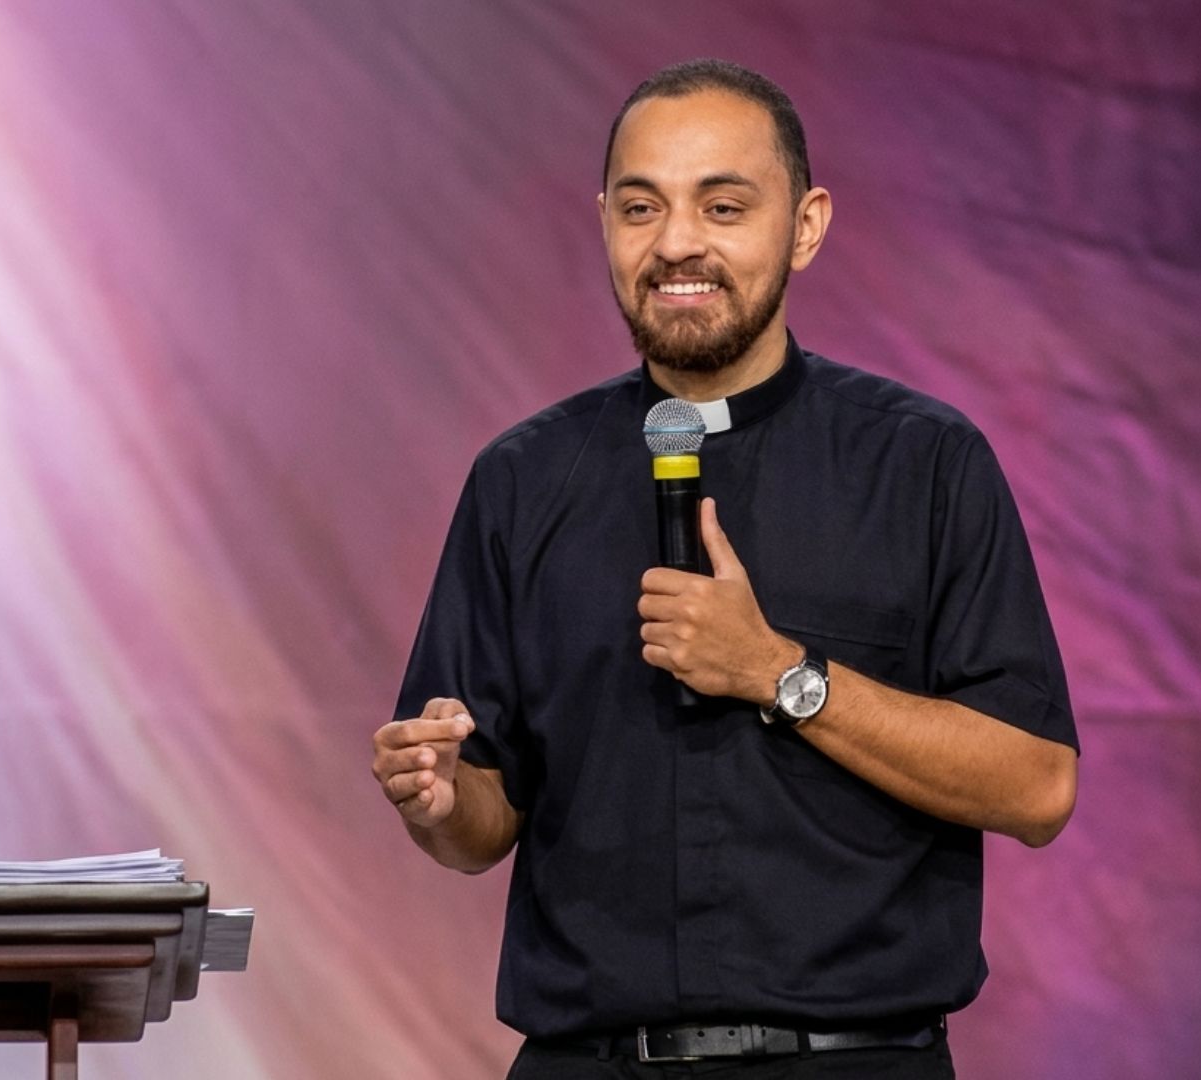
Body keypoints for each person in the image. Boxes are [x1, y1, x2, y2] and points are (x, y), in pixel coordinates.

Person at [373, 58, 1078, 1078]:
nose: (677, 244)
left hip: (851, 1059)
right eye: (641, 207)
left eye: (724, 204)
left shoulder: (924, 462)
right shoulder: (521, 481)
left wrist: (780, 675)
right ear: (605, 224)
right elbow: (486, 819)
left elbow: (1038, 785)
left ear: (806, 225)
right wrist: (436, 803)